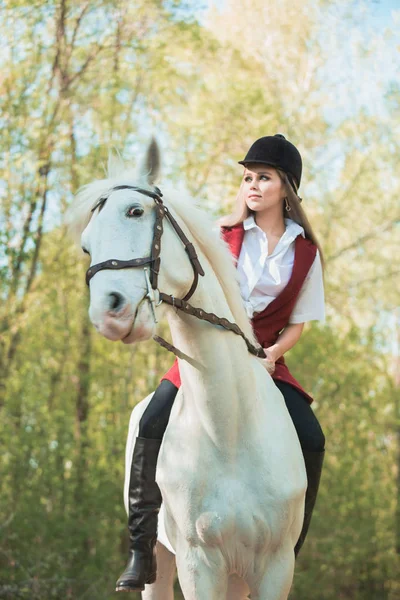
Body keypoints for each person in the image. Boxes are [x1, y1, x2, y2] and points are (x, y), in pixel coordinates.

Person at [116, 134, 326, 592]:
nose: (252, 184)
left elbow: (299, 322)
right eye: (247, 176)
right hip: (208, 359)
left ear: (285, 188)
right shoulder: (218, 235)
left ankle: (290, 538)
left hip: (267, 361)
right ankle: (140, 546)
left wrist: (273, 355)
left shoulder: (306, 252)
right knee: (150, 420)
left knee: (311, 434)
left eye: (263, 177)